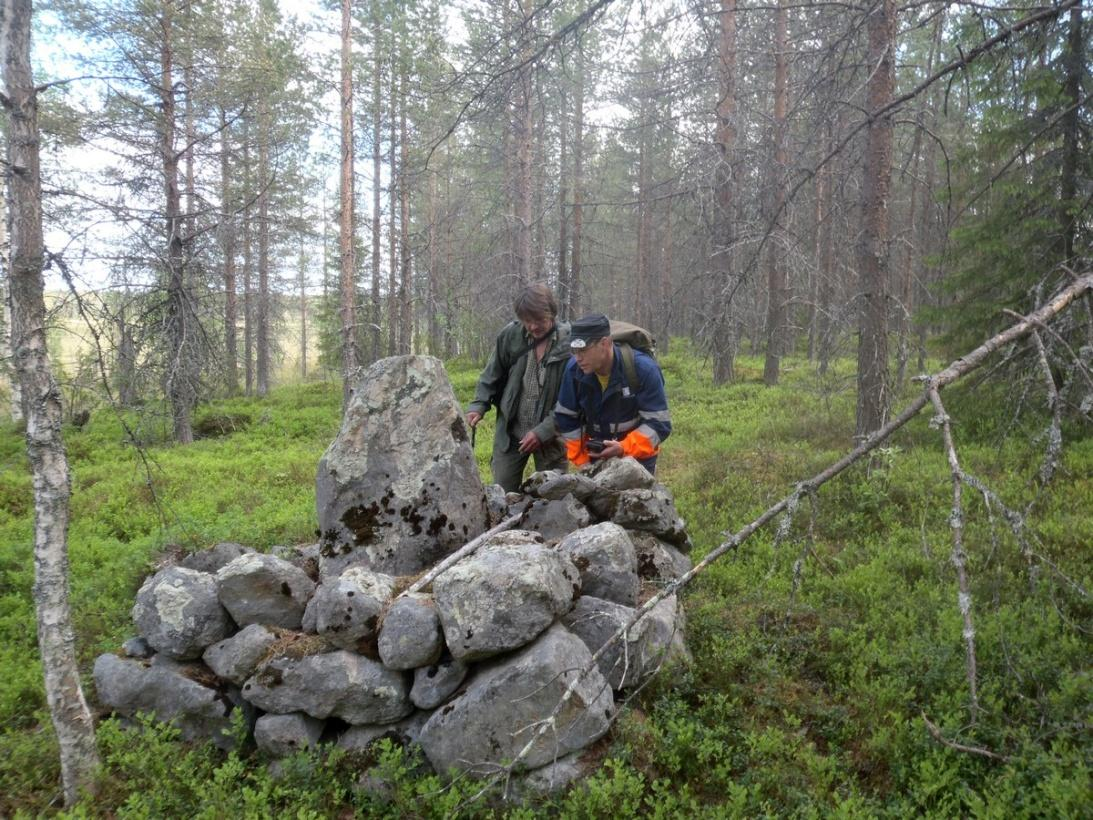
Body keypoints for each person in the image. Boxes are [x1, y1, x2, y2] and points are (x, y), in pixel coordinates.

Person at [466, 284, 572, 492]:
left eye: (539, 320)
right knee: (501, 493)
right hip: (511, 431)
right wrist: (479, 404)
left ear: (552, 313)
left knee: (554, 497)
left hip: (551, 437)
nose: (532, 327)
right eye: (527, 321)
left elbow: (570, 403)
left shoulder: (568, 344)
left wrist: (542, 432)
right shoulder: (511, 335)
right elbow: (491, 374)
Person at [554, 312, 671, 473]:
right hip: (594, 454)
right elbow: (566, 418)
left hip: (638, 458)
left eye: (583, 350)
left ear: (605, 343)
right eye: (574, 350)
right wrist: (583, 462)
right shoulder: (574, 369)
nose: (578, 357)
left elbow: (659, 424)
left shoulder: (644, 369)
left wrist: (623, 448)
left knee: (634, 498)